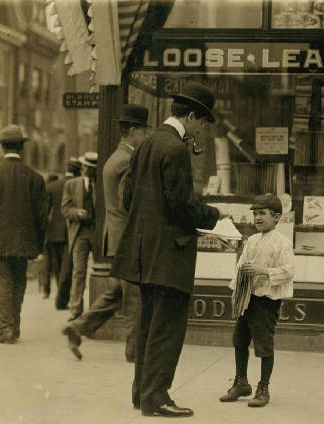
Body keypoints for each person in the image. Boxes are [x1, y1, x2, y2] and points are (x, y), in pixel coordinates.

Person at [111, 81, 229, 418]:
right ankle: (157, 398)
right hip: (170, 255)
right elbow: (182, 205)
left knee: (148, 326)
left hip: (143, 253)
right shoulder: (175, 149)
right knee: (167, 331)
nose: (203, 131)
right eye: (203, 124)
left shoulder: (146, 144)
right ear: (192, 116)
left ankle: (141, 394)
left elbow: (129, 197)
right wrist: (216, 214)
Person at [63, 104, 149, 361]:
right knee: (134, 297)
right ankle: (135, 353)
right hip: (127, 238)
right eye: (144, 131)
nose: (145, 137)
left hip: (114, 236)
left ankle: (79, 327)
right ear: (133, 131)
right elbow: (127, 202)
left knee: (116, 292)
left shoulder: (114, 158)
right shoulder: (127, 160)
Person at [0, 125, 48, 344]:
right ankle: (14, 326)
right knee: (18, 283)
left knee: (3, 284)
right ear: (22, 147)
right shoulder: (35, 178)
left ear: (2, 147)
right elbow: (42, 217)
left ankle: (6, 330)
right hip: (24, 243)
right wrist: (39, 245)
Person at [219, 193, 294, 408]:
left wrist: (263, 271)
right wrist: (236, 292)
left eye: (263, 213)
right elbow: (241, 266)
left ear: (277, 217)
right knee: (239, 339)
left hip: (266, 301)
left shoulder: (283, 243)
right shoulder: (251, 240)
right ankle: (241, 382)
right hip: (247, 298)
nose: (258, 218)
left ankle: (263, 388)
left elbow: (289, 272)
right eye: (255, 214)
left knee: (263, 345)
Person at [61, 152, 98, 322]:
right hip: (80, 233)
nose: (91, 172)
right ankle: (75, 309)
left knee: (100, 270)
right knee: (79, 271)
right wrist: (78, 213)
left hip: (97, 232)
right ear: (83, 168)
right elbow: (65, 209)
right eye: (89, 168)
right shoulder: (71, 185)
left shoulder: (100, 185)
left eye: (93, 169)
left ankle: (97, 309)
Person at [49, 158, 82, 310]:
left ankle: (59, 296)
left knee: (57, 267)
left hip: (53, 232)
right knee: (67, 268)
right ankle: (61, 300)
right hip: (70, 230)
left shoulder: (52, 186)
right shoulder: (77, 186)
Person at [39, 174, 60, 299]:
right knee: (56, 262)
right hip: (56, 232)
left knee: (46, 262)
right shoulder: (55, 190)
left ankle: (46, 290)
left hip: (47, 232)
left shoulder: (46, 192)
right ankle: (58, 288)